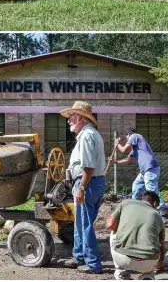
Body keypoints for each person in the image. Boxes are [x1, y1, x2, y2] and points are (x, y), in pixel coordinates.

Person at [61, 101, 106, 274]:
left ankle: (93, 264)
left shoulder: (87, 136)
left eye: (71, 117)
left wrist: (81, 188)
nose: (69, 120)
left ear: (80, 117)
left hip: (87, 183)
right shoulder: (90, 134)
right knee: (81, 224)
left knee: (85, 225)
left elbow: (88, 166)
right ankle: (78, 256)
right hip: (94, 183)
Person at [111, 127, 168, 219]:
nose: (127, 139)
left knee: (152, 191)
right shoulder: (136, 147)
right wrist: (115, 162)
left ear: (129, 134)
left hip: (150, 168)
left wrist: (117, 144)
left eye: (127, 137)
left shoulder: (135, 136)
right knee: (136, 186)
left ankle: (163, 212)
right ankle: (136, 208)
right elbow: (128, 160)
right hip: (144, 171)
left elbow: (124, 150)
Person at [106, 191, 166, 280]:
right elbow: (161, 245)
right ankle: (147, 275)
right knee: (155, 240)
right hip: (148, 262)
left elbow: (110, 225)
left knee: (114, 231)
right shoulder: (158, 216)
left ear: (142, 198)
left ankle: (121, 274)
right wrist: (159, 264)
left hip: (122, 259)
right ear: (155, 203)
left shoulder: (126, 203)